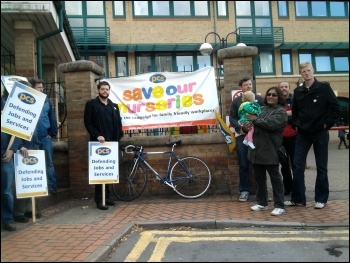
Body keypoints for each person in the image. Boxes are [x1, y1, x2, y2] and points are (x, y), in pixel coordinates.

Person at [285, 61, 341, 209]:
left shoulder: (324, 88)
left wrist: (326, 124)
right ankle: (298, 198)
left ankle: (321, 199)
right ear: (301, 74)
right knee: (297, 166)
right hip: (303, 134)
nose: (306, 73)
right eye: (303, 71)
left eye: (308, 70)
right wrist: (297, 124)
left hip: (320, 133)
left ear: (313, 71)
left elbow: (336, 109)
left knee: (321, 167)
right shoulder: (298, 91)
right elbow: (295, 112)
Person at [244, 87, 287, 216]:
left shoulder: (281, 112)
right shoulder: (261, 109)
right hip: (256, 149)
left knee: (275, 178)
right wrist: (246, 127)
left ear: (279, 97)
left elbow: (270, 124)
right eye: (269, 94)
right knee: (259, 178)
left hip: (271, 149)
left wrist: (254, 119)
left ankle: (279, 205)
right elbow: (252, 125)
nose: (271, 97)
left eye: (274, 95)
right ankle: (262, 203)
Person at [84, 80, 123, 210]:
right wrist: (96, 135)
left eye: (107, 89)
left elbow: (118, 124)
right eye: (102, 89)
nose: (105, 91)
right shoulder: (91, 104)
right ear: (98, 90)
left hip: (112, 144)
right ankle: (99, 199)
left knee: (109, 172)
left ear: (109, 91)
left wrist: (118, 137)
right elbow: (88, 123)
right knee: (100, 173)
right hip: (98, 144)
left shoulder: (114, 106)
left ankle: (107, 197)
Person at [229, 76, 264, 202]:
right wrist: (241, 128)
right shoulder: (237, 101)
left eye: (250, 84)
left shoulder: (259, 99)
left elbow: (265, 114)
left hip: (257, 137)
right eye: (246, 85)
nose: (249, 86)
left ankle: (262, 191)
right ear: (241, 88)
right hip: (242, 137)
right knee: (243, 164)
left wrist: (257, 121)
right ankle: (244, 190)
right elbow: (232, 118)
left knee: (260, 164)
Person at [13, 80, 42, 223]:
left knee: (33, 181)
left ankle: (30, 209)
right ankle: (19, 212)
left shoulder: (32, 105)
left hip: (34, 147)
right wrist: (18, 147)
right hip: (22, 149)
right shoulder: (14, 106)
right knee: (22, 182)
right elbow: (13, 130)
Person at [28, 78, 58, 194]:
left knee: (48, 162)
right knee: (34, 162)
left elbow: (52, 118)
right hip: (30, 138)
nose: (42, 89)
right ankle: (36, 186)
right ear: (32, 88)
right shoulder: (27, 101)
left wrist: (52, 133)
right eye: (39, 87)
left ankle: (51, 186)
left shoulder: (46, 101)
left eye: (42, 87)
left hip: (45, 137)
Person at [1, 90, 23, 231]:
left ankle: (8, 219)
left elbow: (17, 131)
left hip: (5, 154)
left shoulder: (8, 108)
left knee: (5, 190)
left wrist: (12, 150)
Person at [278, 81, 297, 195]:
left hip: (294, 137)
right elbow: (276, 117)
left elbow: (297, 115)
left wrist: (283, 115)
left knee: (296, 164)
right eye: (281, 87)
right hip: (280, 138)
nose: (284, 88)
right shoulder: (276, 101)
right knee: (284, 165)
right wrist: (287, 114)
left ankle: (297, 188)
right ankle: (287, 188)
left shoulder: (295, 100)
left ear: (289, 88)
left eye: (286, 86)